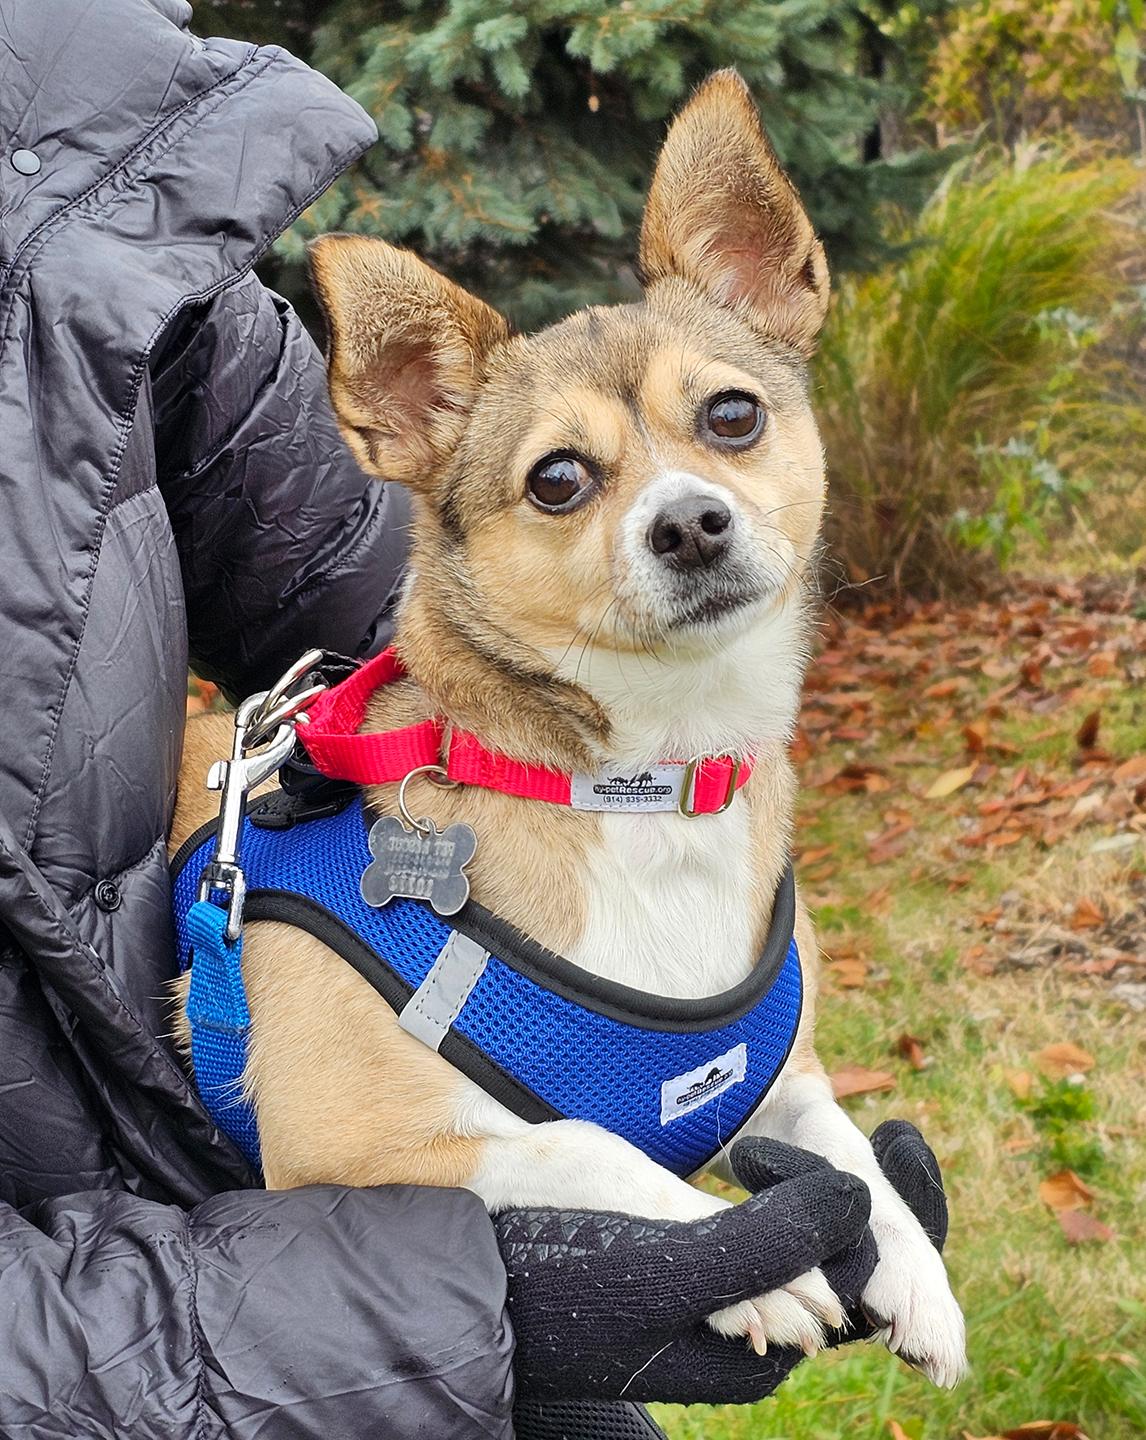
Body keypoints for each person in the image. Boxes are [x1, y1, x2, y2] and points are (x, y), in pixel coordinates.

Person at [0, 1, 951, 1436]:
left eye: (732, 421)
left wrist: (827, 1156)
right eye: (569, 480)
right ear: (406, 404)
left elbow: (342, 565)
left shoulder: (55, 163)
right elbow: (355, 1141)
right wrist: (564, 1207)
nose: (681, 506)